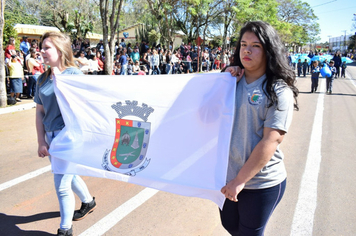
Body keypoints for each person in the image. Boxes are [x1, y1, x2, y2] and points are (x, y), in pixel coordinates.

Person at [222, 21, 298, 236]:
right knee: (230, 226)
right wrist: (223, 77)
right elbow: (204, 115)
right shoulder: (228, 81)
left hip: (261, 183)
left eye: (256, 46)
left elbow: (271, 140)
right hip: (227, 177)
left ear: (269, 50)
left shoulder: (279, 90)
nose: (247, 50)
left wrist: (240, 180)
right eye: (243, 44)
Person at [35, 31, 96, 236]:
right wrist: (41, 141)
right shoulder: (42, 79)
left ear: (60, 51)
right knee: (68, 174)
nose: (42, 51)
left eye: (46, 48)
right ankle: (88, 201)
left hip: (69, 136)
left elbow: (86, 106)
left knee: (61, 185)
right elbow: (40, 111)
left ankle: (65, 230)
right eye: (41, 48)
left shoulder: (73, 76)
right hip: (51, 137)